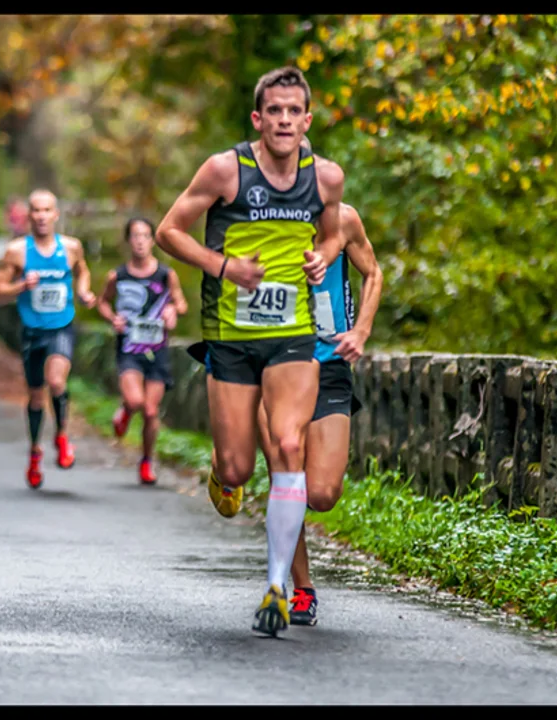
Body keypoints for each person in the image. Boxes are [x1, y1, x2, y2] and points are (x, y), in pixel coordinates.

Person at [154, 66, 347, 638]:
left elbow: (335, 232)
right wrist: (224, 267)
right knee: (238, 465)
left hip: (293, 334)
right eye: (275, 111)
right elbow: (169, 231)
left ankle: (277, 588)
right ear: (258, 119)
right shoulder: (225, 170)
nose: (285, 120)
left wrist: (323, 255)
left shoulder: (326, 178)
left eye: (295, 111)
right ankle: (223, 472)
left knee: (288, 445)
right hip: (232, 335)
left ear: (307, 121)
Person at [189, 159, 384, 626]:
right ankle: (299, 589)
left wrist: (361, 330)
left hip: (329, 362)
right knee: (286, 467)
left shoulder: (345, 220)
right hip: (274, 360)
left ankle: (227, 460)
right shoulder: (257, 222)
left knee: (323, 493)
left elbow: (373, 273)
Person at [0, 188, 96, 489]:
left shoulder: (71, 247)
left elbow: (83, 272)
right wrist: (20, 286)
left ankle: (62, 437)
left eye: (46, 210)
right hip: (31, 331)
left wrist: (84, 291)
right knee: (36, 396)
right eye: (36, 210)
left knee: (57, 382)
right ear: (29, 215)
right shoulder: (17, 251)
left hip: (61, 326)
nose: (41, 216)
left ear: (56, 214)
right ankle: (35, 452)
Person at [96, 217, 188, 485]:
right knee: (136, 401)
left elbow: (181, 304)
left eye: (145, 236)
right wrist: (112, 318)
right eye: (135, 236)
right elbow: (103, 303)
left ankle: (147, 460)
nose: (140, 241)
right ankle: (126, 410)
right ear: (128, 241)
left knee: (150, 411)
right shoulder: (117, 276)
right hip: (129, 348)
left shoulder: (165, 274)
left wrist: (172, 310)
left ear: (152, 241)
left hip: (157, 350)